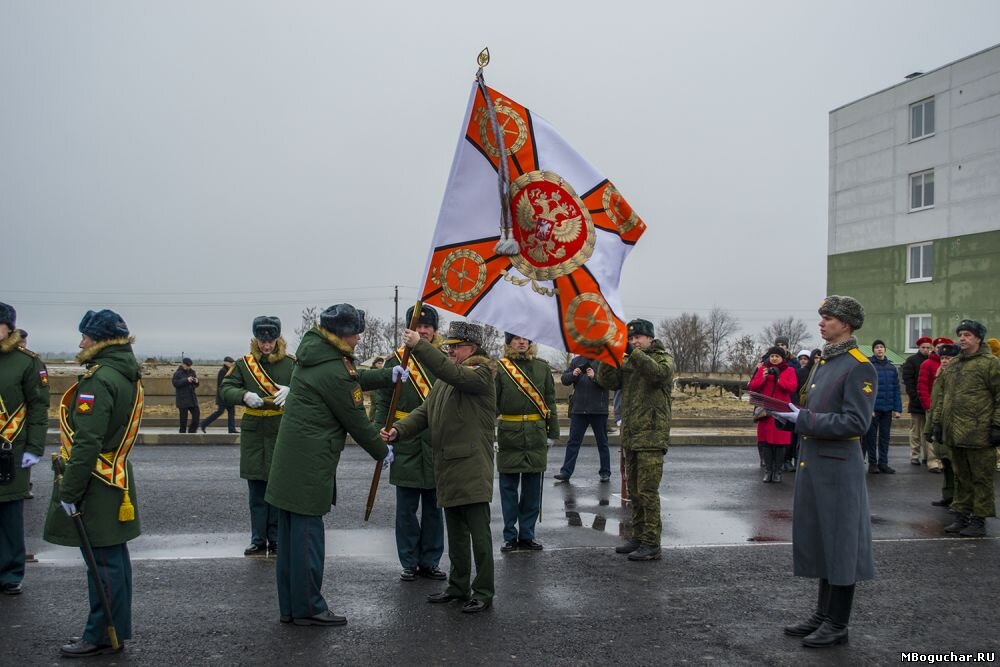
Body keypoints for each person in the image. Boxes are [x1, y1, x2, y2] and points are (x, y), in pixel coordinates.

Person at [264, 304, 398, 626]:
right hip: (310, 465)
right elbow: (354, 416)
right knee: (309, 540)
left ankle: (292, 608)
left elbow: (350, 379)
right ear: (340, 334)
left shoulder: (316, 355)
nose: (358, 338)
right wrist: (382, 450)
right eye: (355, 332)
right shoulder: (333, 368)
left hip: (290, 463)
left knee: (291, 540)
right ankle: (310, 608)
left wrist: (385, 376)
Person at [772, 295, 877, 648]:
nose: (821, 323)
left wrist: (803, 419)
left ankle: (838, 623)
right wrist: (788, 413)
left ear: (845, 324)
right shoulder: (824, 361)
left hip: (838, 468)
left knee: (841, 544)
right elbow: (812, 407)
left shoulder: (858, 365)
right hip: (815, 462)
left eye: (828, 318)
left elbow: (856, 422)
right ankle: (822, 614)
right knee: (822, 540)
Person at [44, 310, 142, 657]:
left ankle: (100, 633)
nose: (81, 342)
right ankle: (114, 628)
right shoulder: (125, 374)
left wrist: (69, 491)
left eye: (86, 336)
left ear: (101, 340)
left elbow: (87, 443)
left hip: (97, 481)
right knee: (114, 559)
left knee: (102, 563)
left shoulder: (99, 380)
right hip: (114, 477)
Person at [381, 321, 497, 614]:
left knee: (478, 535)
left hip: (471, 464)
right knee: (456, 531)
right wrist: (397, 430)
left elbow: (450, 371)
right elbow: (424, 412)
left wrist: (419, 345)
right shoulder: (448, 379)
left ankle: (483, 591)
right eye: (449, 347)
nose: (451, 351)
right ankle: (459, 586)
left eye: (456, 347)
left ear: (472, 348)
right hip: (448, 464)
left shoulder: (481, 374)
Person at [372, 305, 447, 582]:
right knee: (405, 510)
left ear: (435, 331)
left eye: (428, 327)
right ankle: (409, 561)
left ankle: (431, 560)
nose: (424, 331)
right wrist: (380, 435)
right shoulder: (396, 361)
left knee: (434, 508)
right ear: (409, 330)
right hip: (403, 439)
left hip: (435, 439)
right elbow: (381, 401)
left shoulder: (442, 361)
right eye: (419, 327)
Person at [596, 318, 674, 562]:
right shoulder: (629, 361)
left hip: (651, 436)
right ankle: (639, 536)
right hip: (631, 436)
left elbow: (658, 374)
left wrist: (633, 354)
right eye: (631, 338)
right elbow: (607, 381)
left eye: (639, 337)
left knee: (648, 491)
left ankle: (652, 543)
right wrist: (609, 354)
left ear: (650, 338)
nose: (634, 342)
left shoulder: (663, 358)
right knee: (635, 492)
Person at [220, 317, 295, 556]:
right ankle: (257, 538)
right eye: (262, 341)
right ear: (256, 340)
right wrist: (243, 395)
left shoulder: (291, 364)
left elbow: (307, 386)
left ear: (277, 339)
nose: (266, 345)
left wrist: (293, 392)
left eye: (270, 340)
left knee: (276, 488)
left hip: (279, 427)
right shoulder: (244, 364)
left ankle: (275, 538)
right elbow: (225, 389)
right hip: (254, 430)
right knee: (256, 490)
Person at [925, 320, 1000, 538]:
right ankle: (962, 515)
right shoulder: (954, 365)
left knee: (981, 478)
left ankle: (979, 519)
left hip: (980, 433)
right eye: (960, 334)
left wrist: (997, 425)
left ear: (978, 338)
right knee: (960, 477)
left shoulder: (990, 364)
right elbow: (943, 398)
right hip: (955, 433)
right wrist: (937, 423)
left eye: (967, 334)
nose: (963, 338)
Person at [0, 303, 49, 596]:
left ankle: (10, 572)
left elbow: (39, 407)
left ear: (8, 327)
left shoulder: (27, 362)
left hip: (11, 448)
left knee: (8, 514)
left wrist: (34, 446)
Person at [495, 333, 559, 552]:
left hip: (535, 433)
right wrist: (490, 434)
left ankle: (527, 534)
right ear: (509, 342)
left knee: (532, 490)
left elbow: (550, 401)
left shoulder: (542, 368)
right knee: (508, 489)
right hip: (508, 433)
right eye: (516, 338)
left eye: (526, 339)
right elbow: (492, 404)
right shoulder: (501, 368)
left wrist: (553, 433)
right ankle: (509, 535)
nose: (522, 342)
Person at [555, 354, 612, 483]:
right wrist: (573, 374)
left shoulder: (604, 361)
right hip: (579, 410)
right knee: (573, 442)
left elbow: (610, 382)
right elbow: (564, 379)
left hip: (599, 410)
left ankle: (605, 472)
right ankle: (565, 472)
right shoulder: (576, 361)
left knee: (602, 443)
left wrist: (595, 377)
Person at [748, 347, 798, 483]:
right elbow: (753, 386)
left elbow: (792, 387)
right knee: (767, 443)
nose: (774, 358)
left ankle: (778, 472)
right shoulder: (763, 369)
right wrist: (763, 378)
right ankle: (768, 471)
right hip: (766, 412)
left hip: (782, 412)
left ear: (783, 358)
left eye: (777, 356)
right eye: (772, 356)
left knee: (780, 443)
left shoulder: (789, 370)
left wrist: (778, 380)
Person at [925, 343, 960, 509]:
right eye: (943, 358)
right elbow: (935, 404)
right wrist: (928, 428)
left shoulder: (957, 377)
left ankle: (959, 500)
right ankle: (948, 495)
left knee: (957, 467)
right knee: (946, 463)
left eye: (949, 358)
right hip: (940, 425)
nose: (945, 361)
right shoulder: (940, 375)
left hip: (953, 426)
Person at [863, 340, 902, 474]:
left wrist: (897, 408)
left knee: (885, 437)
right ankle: (872, 463)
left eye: (881, 347)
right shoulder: (869, 366)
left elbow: (896, 389)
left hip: (887, 408)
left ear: (885, 350)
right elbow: (866, 388)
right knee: (871, 437)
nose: (879, 349)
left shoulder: (891, 368)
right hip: (874, 409)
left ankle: (883, 463)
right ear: (873, 350)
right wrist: (869, 407)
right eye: (877, 347)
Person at [903, 336, 936, 469]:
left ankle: (927, 456)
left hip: (930, 402)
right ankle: (915, 455)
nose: (926, 350)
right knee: (916, 431)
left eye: (928, 347)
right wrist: (915, 397)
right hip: (917, 402)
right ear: (919, 347)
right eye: (924, 347)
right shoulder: (911, 361)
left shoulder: (933, 361)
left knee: (928, 432)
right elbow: (908, 381)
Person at [200, 357, 237, 433]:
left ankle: (232, 429)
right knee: (220, 411)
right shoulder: (222, 371)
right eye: (230, 363)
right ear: (225, 362)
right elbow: (222, 384)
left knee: (231, 412)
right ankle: (204, 423)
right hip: (223, 396)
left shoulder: (229, 371)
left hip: (229, 396)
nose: (231, 364)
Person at [171, 357, 199, 433]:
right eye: (187, 365)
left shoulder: (192, 372)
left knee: (196, 416)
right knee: (183, 420)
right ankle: (182, 434)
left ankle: (192, 431)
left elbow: (196, 385)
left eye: (190, 366)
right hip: (182, 399)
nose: (188, 367)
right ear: (183, 364)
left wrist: (196, 382)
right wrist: (186, 380)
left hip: (192, 398)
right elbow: (176, 383)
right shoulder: (177, 373)